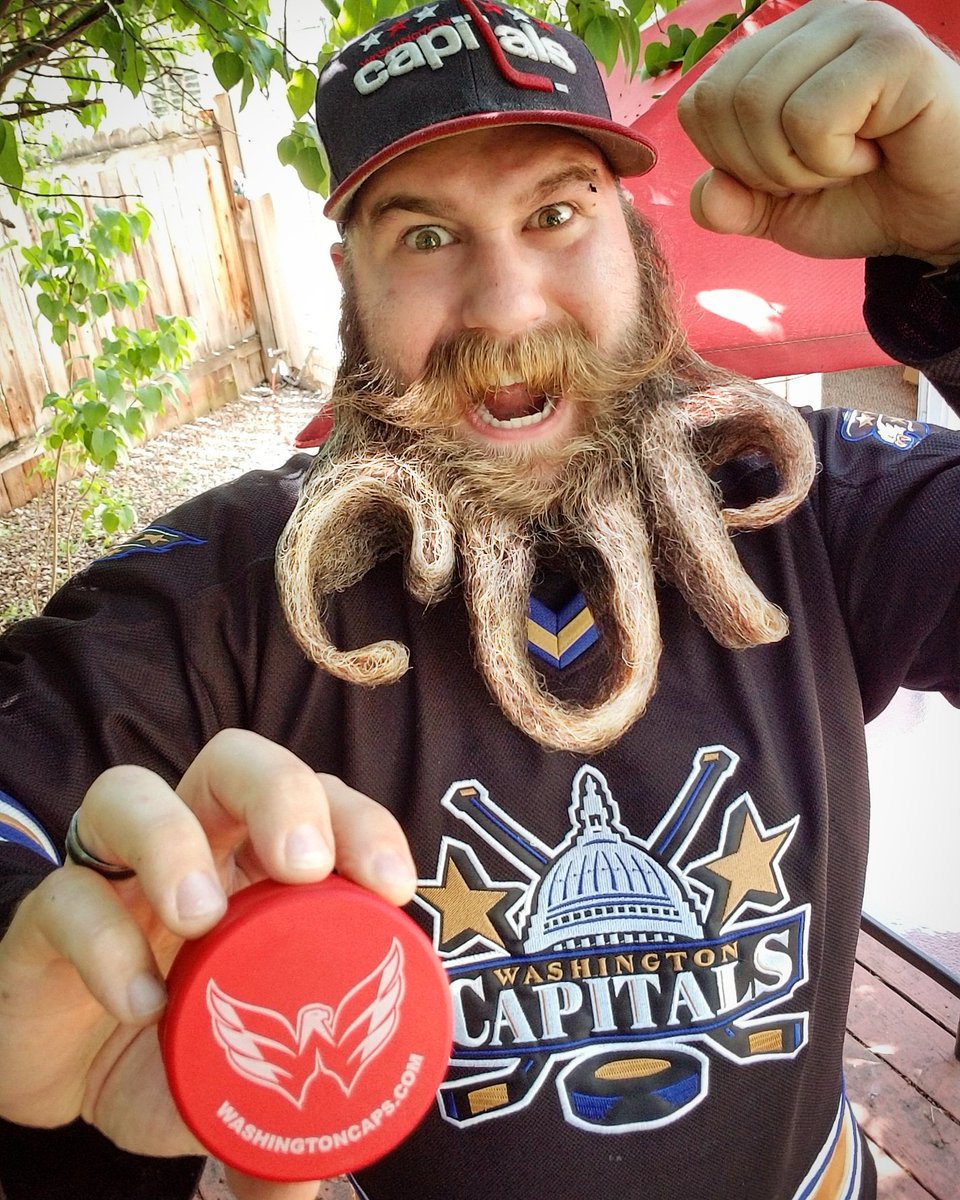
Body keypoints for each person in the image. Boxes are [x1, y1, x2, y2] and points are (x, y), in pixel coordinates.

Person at [0, 0, 958, 1197]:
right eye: (424, 238)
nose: (507, 308)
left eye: (556, 213)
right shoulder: (237, 584)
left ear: (637, 242)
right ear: (349, 286)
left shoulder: (810, 503)